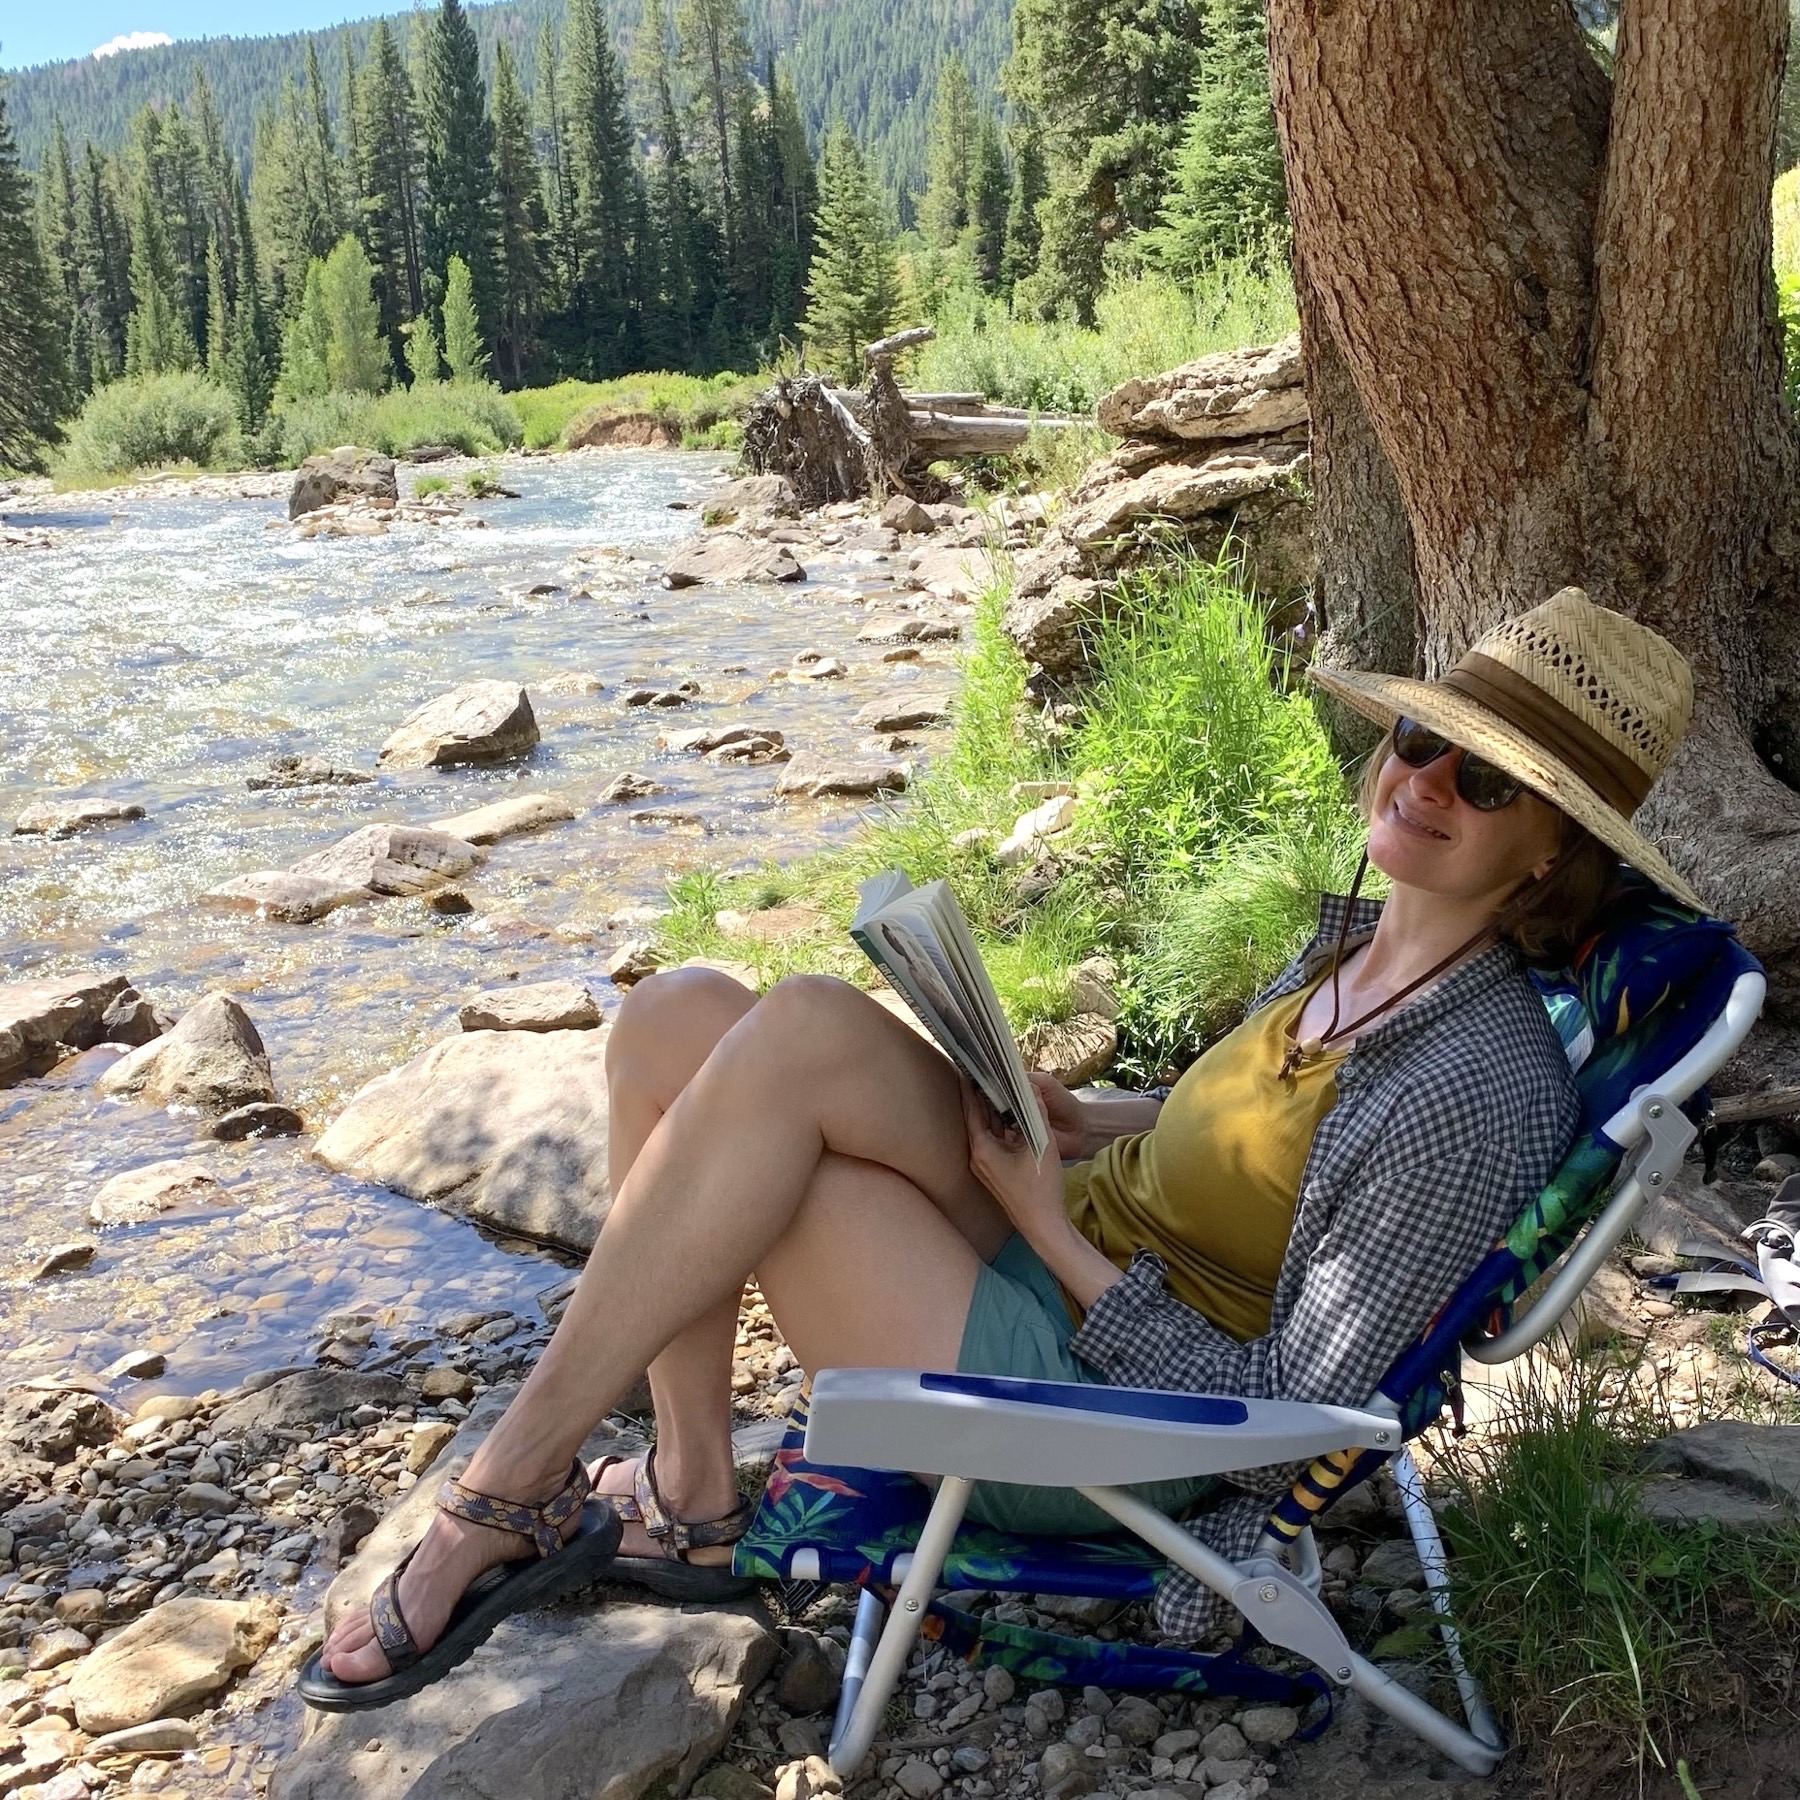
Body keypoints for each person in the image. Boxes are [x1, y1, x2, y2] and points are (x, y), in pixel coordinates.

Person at [302, 586, 1706, 1708]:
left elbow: (1290, 1422)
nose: (1430, 782)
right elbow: (1287, 1136)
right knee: (678, 1020)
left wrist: (1041, 1225)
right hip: (1073, 1244)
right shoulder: (1358, 945)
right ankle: (692, 1493)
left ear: (1550, 858)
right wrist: (1102, 1120)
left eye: (1491, 784)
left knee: (779, 1101)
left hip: (1116, 1415)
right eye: (1422, 743)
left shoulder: (1478, 1080)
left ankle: (507, 1490)